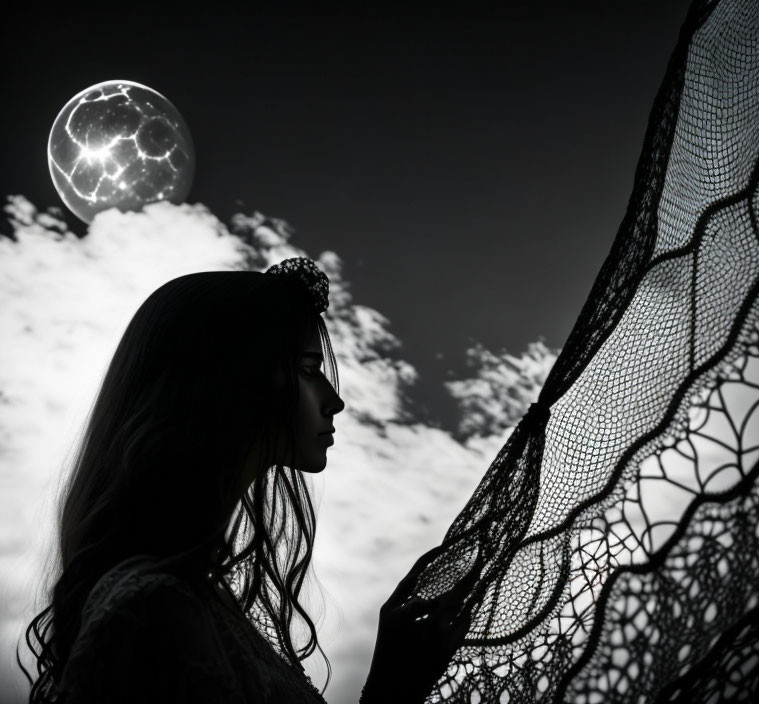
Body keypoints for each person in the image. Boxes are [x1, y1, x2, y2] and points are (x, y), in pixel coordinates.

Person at [19, 257, 474, 704]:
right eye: (308, 370)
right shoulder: (149, 608)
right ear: (227, 379)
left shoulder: (192, 602)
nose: (334, 402)